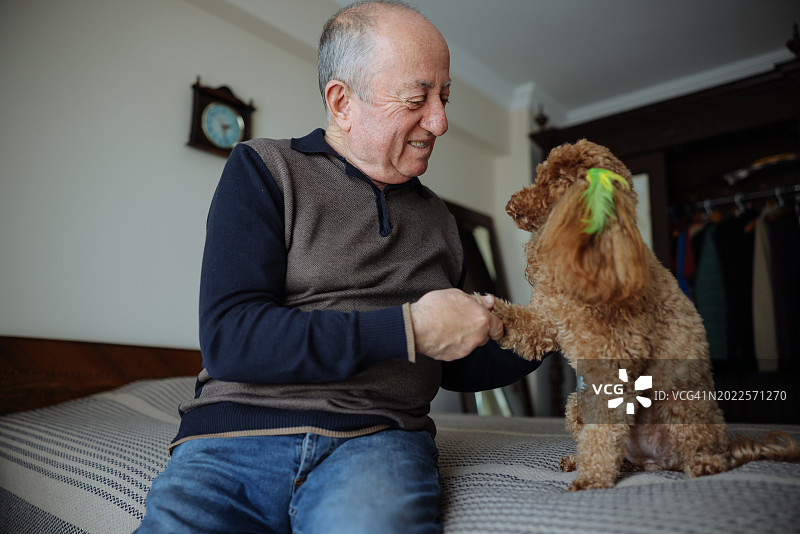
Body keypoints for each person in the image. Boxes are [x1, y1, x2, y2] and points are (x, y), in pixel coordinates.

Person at [135, 1, 542, 532]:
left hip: (378, 439)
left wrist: (551, 328)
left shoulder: (442, 222)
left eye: (443, 97)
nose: (440, 121)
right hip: (235, 437)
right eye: (417, 99)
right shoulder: (264, 169)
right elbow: (232, 339)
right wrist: (410, 328)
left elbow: (458, 365)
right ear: (342, 101)